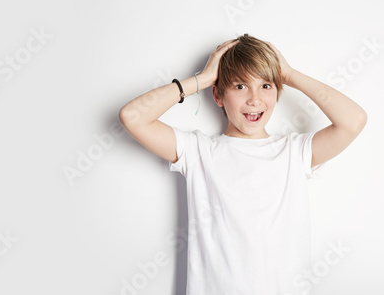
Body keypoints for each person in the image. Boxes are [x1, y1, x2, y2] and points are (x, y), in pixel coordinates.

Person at [118, 34, 367, 295]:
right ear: (218, 95)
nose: (254, 99)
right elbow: (133, 116)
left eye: (266, 86)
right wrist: (202, 79)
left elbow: (354, 120)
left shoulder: (294, 152)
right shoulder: (198, 152)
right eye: (240, 86)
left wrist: (290, 75)